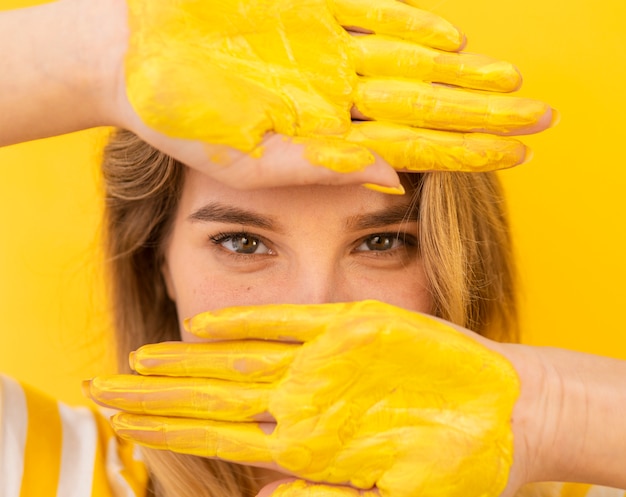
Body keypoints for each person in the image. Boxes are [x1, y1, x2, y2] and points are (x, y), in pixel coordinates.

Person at [2, 1, 624, 497]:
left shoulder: (585, 475)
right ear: (157, 264)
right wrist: (100, 57)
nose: (319, 320)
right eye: (242, 243)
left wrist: (548, 413)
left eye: (382, 242)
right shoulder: (45, 470)